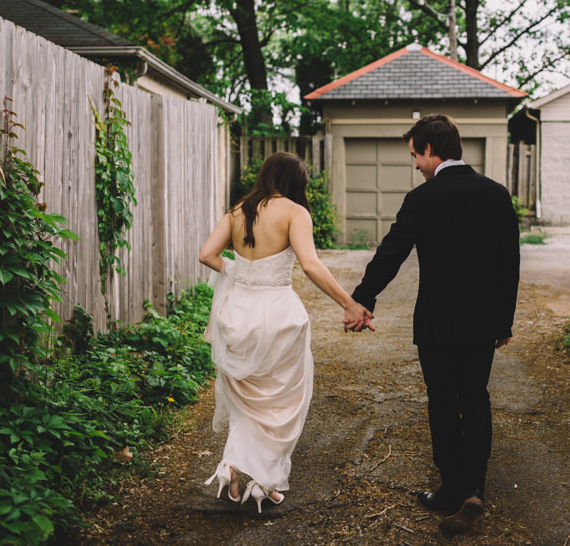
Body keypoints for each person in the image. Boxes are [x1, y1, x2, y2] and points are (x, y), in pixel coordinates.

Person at [345, 114, 520, 535]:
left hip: (438, 324)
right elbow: (509, 263)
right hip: (482, 322)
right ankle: (474, 489)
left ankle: (449, 491)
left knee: (442, 401)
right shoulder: (495, 194)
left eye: (415, 156)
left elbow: (391, 254)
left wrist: (362, 299)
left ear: (429, 149)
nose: (415, 165)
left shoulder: (423, 198)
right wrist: (504, 321)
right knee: (475, 398)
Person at [199, 152, 372, 513]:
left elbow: (207, 255)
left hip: (236, 315)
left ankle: (234, 465)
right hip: (278, 316)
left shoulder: (237, 211)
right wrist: (349, 303)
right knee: (283, 402)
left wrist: (240, 273)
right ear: (296, 182)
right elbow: (310, 264)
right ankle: (264, 481)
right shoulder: (295, 212)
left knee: (247, 401)